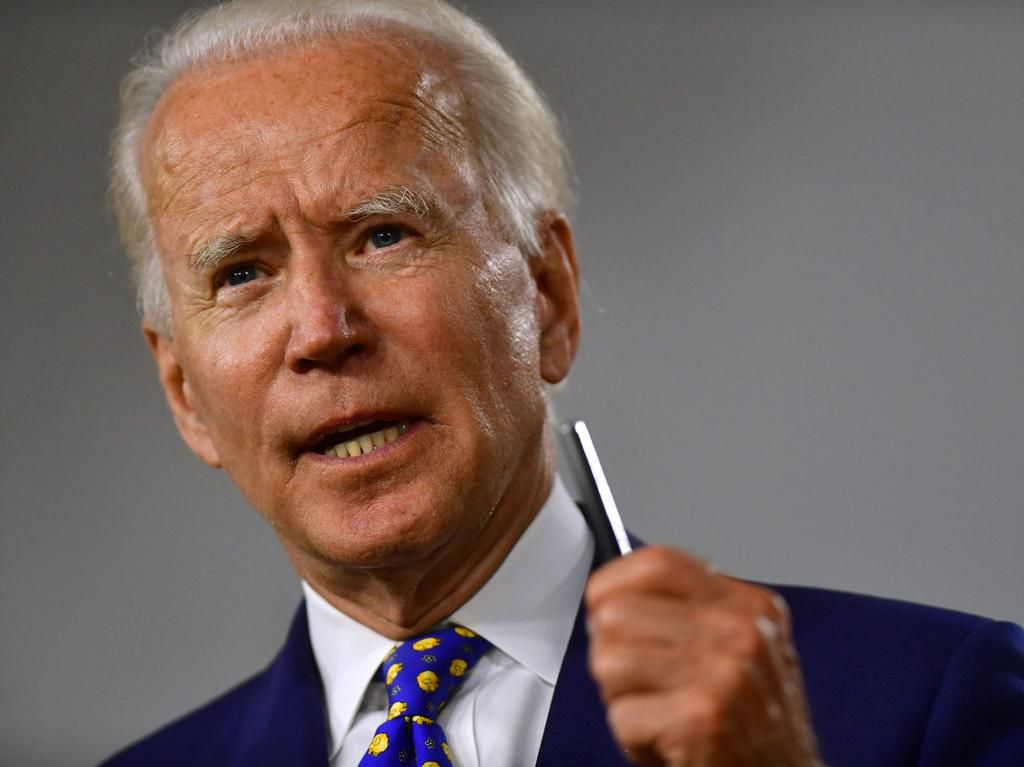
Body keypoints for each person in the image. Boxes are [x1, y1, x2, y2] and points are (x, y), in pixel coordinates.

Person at [100, 1, 1024, 765]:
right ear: (184, 392)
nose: (322, 330)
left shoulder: (935, 703)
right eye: (242, 273)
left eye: (383, 235)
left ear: (547, 295)